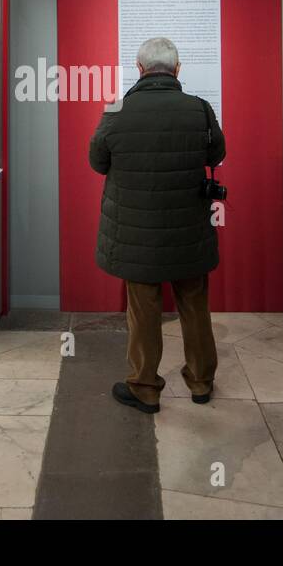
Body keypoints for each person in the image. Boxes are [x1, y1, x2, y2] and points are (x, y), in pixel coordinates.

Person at [88, 36, 226, 414]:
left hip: (136, 230)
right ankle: (201, 381)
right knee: (194, 303)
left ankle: (145, 388)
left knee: (144, 308)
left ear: (139, 69)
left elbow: (97, 162)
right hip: (189, 228)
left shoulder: (117, 110)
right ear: (177, 70)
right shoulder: (199, 109)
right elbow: (218, 153)